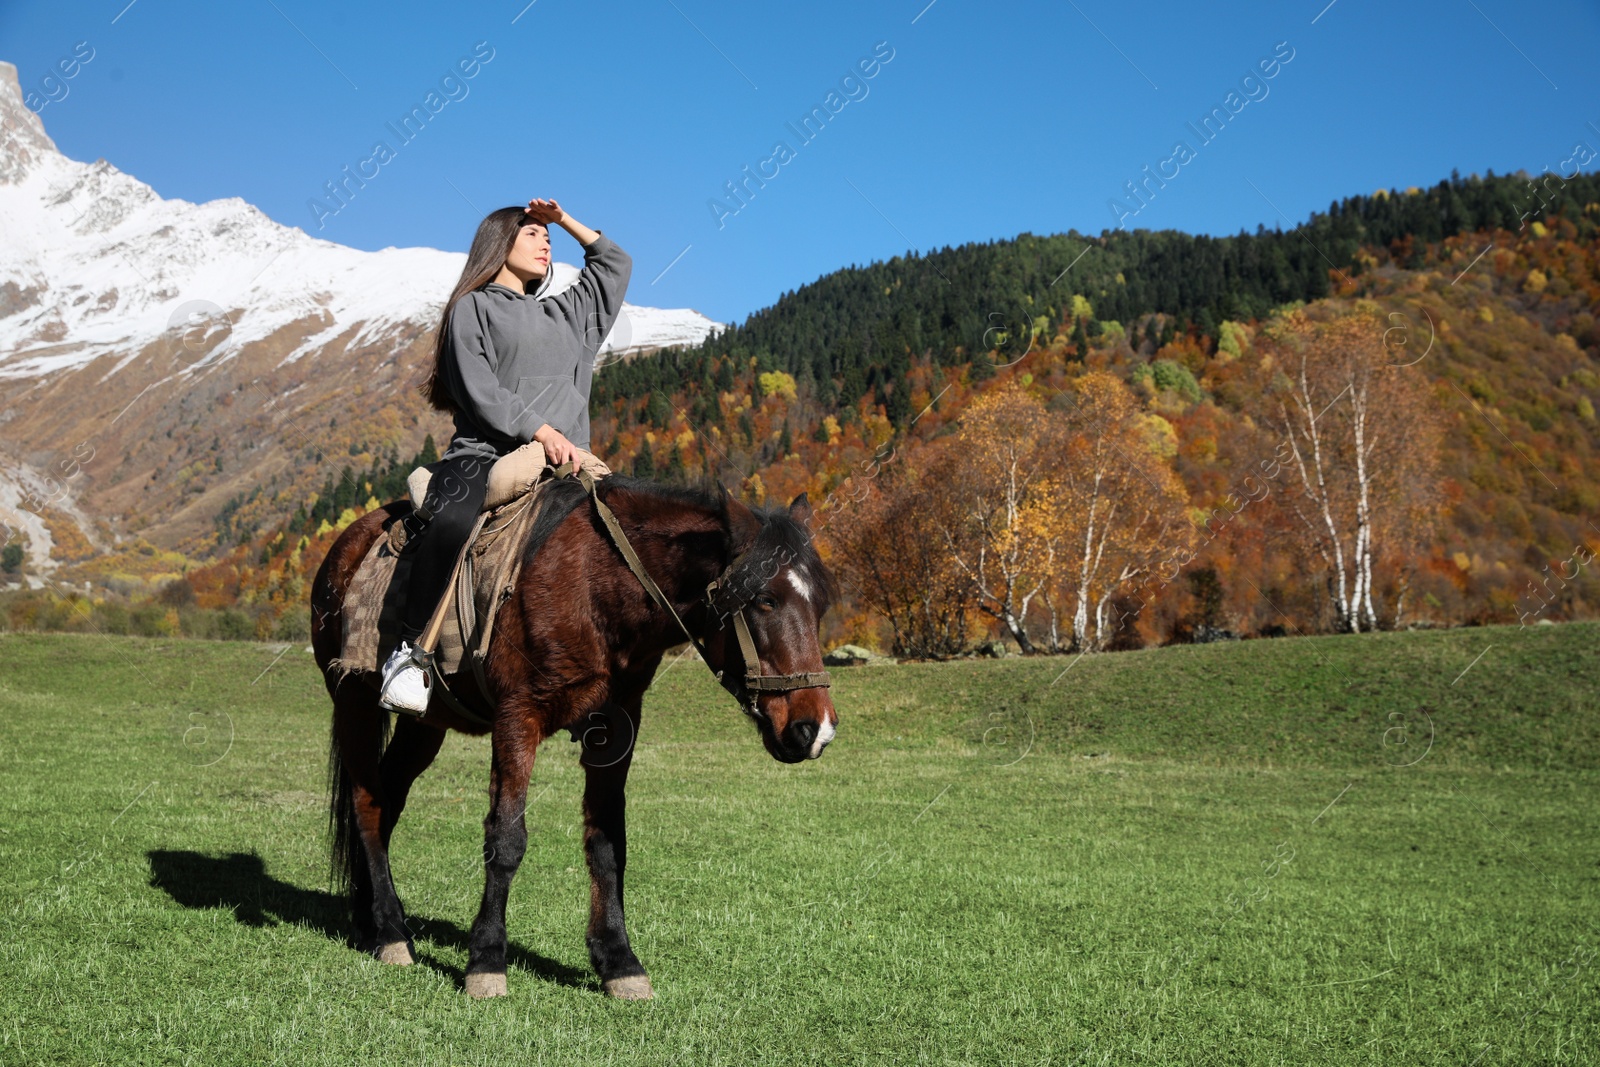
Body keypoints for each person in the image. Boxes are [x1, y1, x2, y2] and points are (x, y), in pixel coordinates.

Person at [380, 198, 633, 713]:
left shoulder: (571, 315)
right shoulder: (472, 308)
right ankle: (409, 657)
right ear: (499, 244)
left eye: (549, 239)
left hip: (568, 464)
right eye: (532, 235)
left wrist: (563, 220)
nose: (545, 244)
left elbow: (615, 264)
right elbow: (479, 391)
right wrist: (540, 430)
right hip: (482, 455)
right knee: (450, 522)